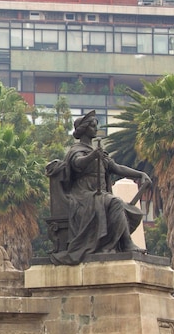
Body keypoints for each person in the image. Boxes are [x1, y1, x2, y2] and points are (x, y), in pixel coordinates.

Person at [48, 110, 151, 265]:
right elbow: (77, 163)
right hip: (83, 195)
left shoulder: (100, 153)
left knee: (129, 209)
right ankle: (126, 243)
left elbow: (117, 168)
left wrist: (140, 174)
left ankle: (116, 244)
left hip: (100, 195)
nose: (96, 129)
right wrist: (92, 156)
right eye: (93, 126)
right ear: (84, 129)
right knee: (115, 202)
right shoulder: (76, 151)